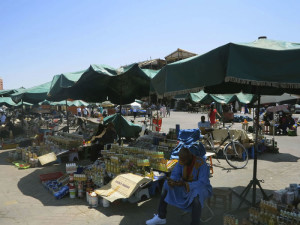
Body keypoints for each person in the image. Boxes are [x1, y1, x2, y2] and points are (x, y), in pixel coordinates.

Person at [146, 148, 212, 225]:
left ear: (190, 157)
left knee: (196, 196)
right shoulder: (181, 162)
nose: (182, 163)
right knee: (166, 184)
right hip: (184, 185)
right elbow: (175, 174)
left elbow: (203, 182)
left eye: (184, 161)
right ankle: (161, 217)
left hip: (200, 187)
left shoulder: (201, 163)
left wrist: (185, 184)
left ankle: (195, 223)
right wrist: (173, 181)